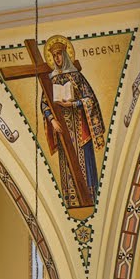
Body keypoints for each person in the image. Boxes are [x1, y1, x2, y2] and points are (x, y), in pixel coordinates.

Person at [40, 36, 106, 212]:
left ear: (65, 55)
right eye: (54, 56)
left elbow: (90, 99)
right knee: (66, 162)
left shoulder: (77, 76)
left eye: (59, 55)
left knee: (84, 160)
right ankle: (70, 200)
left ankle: (89, 197)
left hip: (79, 127)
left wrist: (74, 104)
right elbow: (44, 103)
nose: (57, 59)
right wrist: (52, 121)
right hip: (62, 128)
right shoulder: (51, 79)